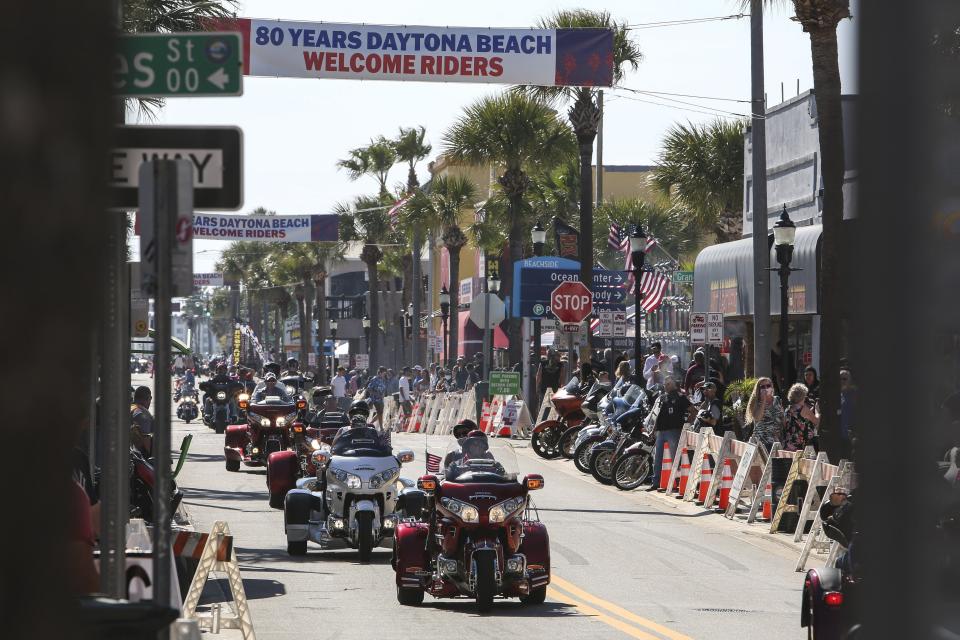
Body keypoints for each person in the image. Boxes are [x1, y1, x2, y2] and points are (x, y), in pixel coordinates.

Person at [647, 377, 692, 490]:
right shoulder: (662, 397)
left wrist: (686, 424)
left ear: (674, 385)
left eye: (668, 384)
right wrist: (653, 430)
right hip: (661, 432)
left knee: (673, 458)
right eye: (665, 384)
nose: (666, 386)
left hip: (674, 431)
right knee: (658, 458)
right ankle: (656, 482)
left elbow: (693, 411)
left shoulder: (681, 397)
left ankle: (674, 483)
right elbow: (657, 415)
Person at [745, 377, 784, 452]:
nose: (766, 388)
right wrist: (763, 400)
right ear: (758, 389)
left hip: (776, 441)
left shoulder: (777, 400)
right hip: (760, 442)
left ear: (772, 387)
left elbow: (782, 417)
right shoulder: (755, 402)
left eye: (768, 386)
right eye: (762, 387)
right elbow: (757, 418)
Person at [783, 383, 820, 451]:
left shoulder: (788, 409)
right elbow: (816, 421)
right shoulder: (804, 409)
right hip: (800, 447)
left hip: (788, 445)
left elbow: (799, 420)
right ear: (803, 396)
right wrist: (817, 410)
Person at [130, 386, 154, 455]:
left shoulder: (131, 407)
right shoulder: (142, 415)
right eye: (150, 398)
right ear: (148, 398)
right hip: (138, 457)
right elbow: (146, 439)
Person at [840, 369, 856, 458]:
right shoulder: (835, 394)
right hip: (839, 435)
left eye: (844, 379)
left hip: (851, 436)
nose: (842, 381)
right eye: (840, 379)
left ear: (850, 380)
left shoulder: (855, 394)